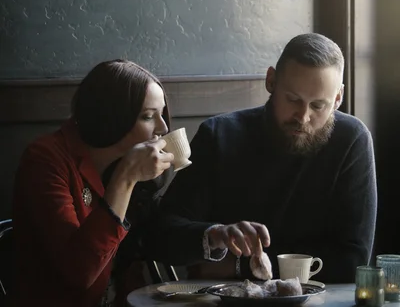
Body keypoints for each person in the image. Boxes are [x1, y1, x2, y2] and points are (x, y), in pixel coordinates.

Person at [147, 33, 377, 283]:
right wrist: (215, 235)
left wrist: (239, 267)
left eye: (318, 106)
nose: (303, 116)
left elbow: (353, 260)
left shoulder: (352, 140)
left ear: (338, 99)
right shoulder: (219, 135)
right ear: (271, 81)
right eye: (293, 99)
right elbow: (161, 236)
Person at [11, 60, 174, 307]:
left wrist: (213, 236)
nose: (162, 128)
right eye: (148, 116)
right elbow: (80, 271)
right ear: (112, 116)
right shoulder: (45, 160)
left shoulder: (125, 166)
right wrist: (126, 177)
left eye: (161, 114)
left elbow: (157, 239)